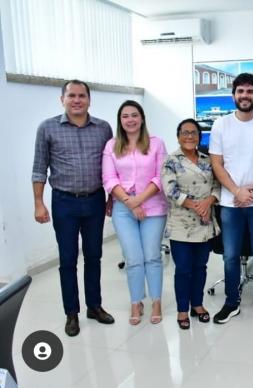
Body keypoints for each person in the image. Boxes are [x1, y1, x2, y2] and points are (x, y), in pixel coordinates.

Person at [32, 79, 115, 337]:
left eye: (82, 96)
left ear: (89, 99)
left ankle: (94, 306)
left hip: (94, 200)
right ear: (62, 99)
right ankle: (71, 313)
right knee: (67, 259)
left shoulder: (103, 128)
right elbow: (39, 168)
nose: (77, 100)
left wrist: (111, 198)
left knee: (94, 256)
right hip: (64, 202)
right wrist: (38, 203)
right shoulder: (47, 128)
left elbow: (111, 167)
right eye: (72, 96)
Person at [209, 73, 253, 326]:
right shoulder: (221, 124)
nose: (245, 96)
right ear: (233, 95)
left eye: (250, 92)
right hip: (230, 203)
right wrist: (237, 191)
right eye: (240, 91)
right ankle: (231, 303)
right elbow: (216, 164)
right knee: (230, 255)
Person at [102, 100, 168, 326]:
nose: (130, 120)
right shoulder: (112, 146)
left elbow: (160, 177)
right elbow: (109, 179)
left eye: (134, 115)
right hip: (123, 209)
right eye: (125, 116)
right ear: (120, 121)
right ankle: (136, 301)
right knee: (133, 258)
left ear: (142, 119)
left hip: (153, 207)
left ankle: (156, 301)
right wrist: (130, 203)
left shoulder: (156, 144)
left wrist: (138, 200)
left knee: (152, 256)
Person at [161, 119, 220, 330]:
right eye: (185, 133)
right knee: (184, 269)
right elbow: (170, 190)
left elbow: (216, 185)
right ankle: (182, 310)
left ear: (199, 136)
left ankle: (197, 304)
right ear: (178, 136)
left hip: (205, 223)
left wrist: (208, 202)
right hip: (181, 224)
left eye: (193, 133)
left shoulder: (206, 160)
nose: (189, 136)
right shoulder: (171, 160)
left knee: (200, 267)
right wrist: (196, 205)